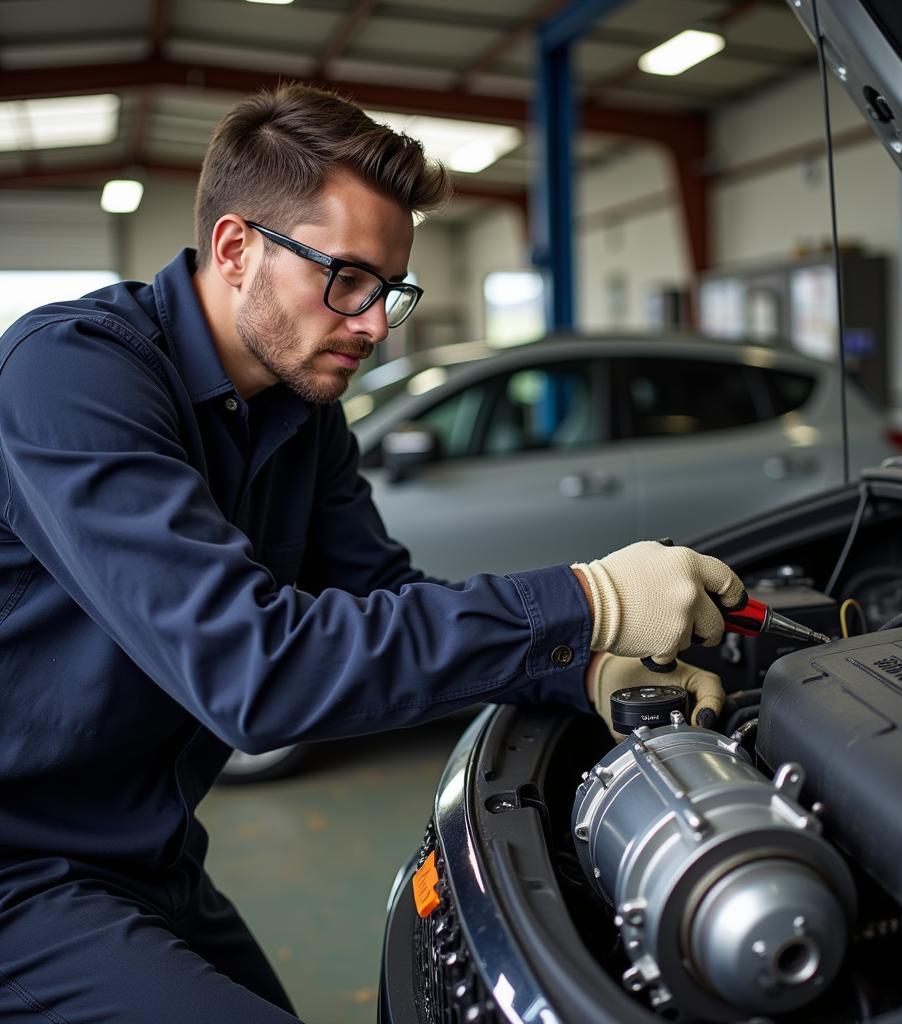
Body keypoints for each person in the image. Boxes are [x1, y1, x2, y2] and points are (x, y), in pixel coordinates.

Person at [0, 84, 742, 1022]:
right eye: (346, 279)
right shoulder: (70, 379)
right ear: (236, 250)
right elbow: (256, 675)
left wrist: (586, 668)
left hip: (147, 851)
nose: (376, 324)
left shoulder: (300, 413)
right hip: (20, 870)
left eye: (390, 290)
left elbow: (385, 597)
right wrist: (587, 597)